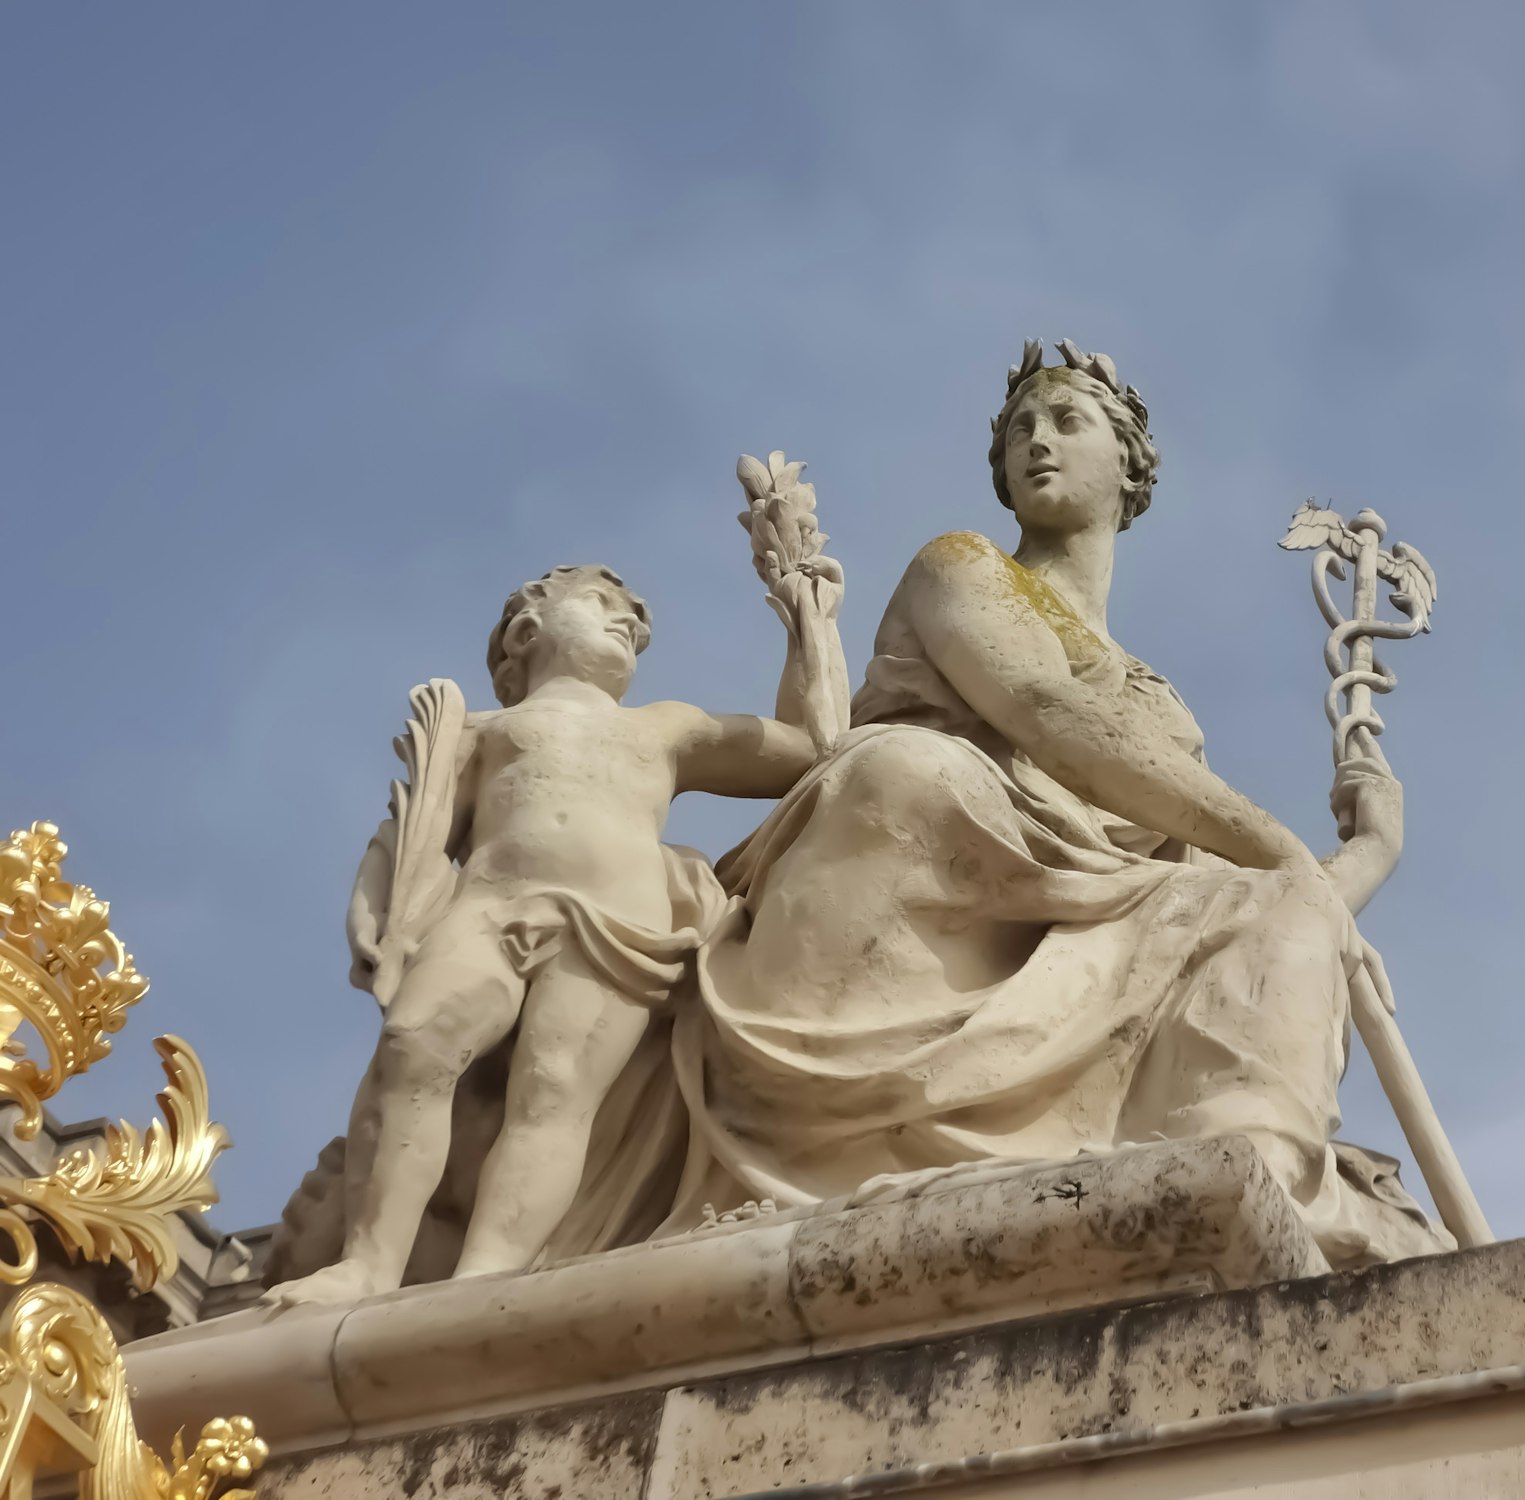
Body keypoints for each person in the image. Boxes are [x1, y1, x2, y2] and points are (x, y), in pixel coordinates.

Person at [661, 341, 1450, 1267]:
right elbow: (1046, 711)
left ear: (1128, 467)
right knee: (915, 771)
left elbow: (1255, 921)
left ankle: (1251, 1178)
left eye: (1068, 421)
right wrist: (1279, 846)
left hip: (1081, 929)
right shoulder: (961, 566)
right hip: (924, 884)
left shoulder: (1163, 712)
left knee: (1277, 916)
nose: (1037, 440)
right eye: (1020, 428)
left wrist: (1367, 853)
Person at [268, 554, 844, 1306]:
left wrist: (807, 616)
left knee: (554, 1093)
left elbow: (810, 747)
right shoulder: (482, 730)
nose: (629, 622)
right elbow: (411, 832)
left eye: (636, 621)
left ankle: (488, 1275)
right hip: (489, 907)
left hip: (615, 925)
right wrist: (374, 911)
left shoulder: (664, 728)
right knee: (415, 1045)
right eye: (604, 602)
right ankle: (367, 1265)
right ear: (527, 628)